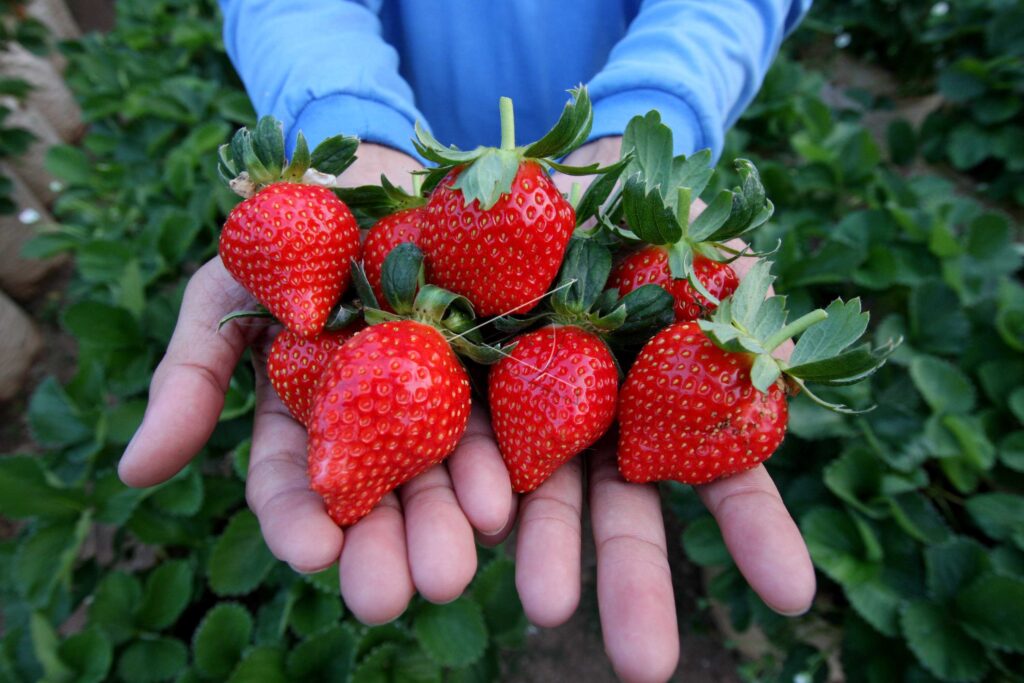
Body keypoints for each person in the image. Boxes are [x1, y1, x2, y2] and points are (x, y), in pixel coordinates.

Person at [119, 2, 816, 681]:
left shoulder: (545, 249)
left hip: (587, 156)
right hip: (411, 164)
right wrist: (346, 123)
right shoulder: (425, 249)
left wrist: (646, 119)